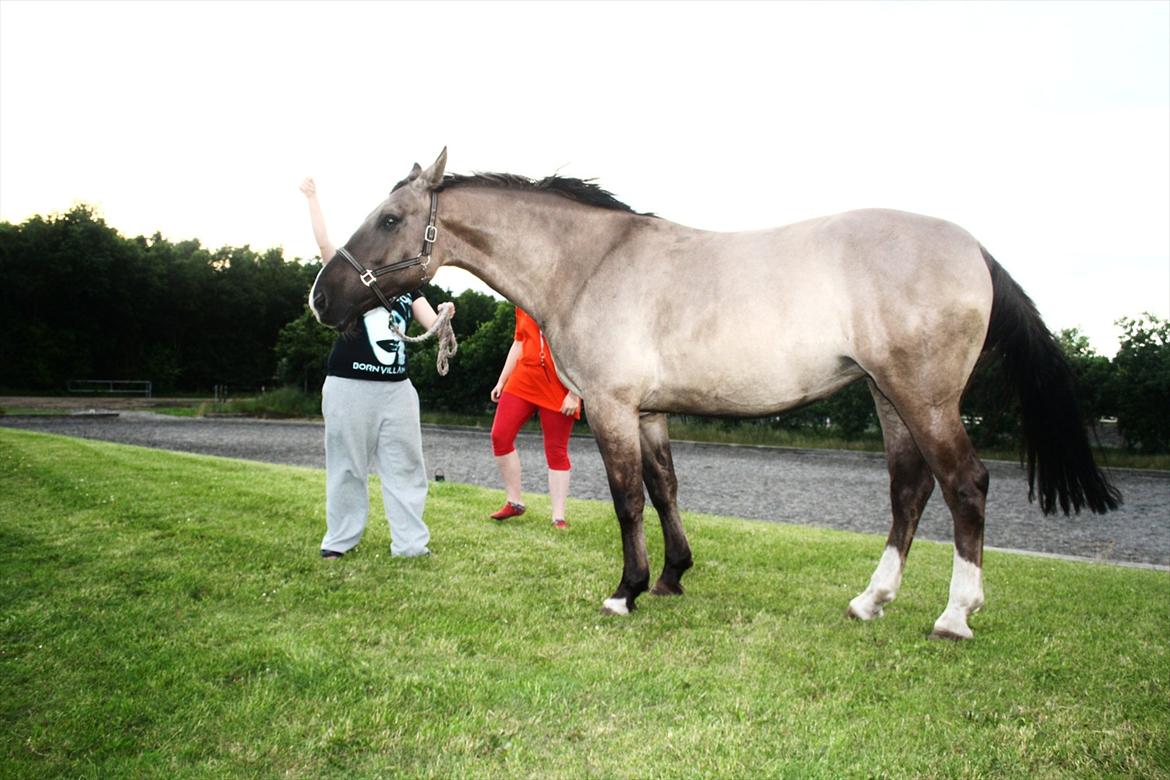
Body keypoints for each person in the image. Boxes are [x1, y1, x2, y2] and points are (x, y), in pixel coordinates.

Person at [300, 177, 453, 559]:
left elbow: (430, 324)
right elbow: (324, 246)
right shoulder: (354, 279)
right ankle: (339, 541)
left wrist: (445, 316)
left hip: (397, 389)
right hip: (348, 385)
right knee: (348, 467)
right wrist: (313, 198)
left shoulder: (409, 288)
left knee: (406, 468)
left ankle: (411, 545)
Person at [489, 306, 581, 529]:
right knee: (500, 435)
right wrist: (502, 381)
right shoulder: (522, 301)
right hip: (524, 378)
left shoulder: (568, 299)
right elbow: (519, 342)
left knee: (556, 450)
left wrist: (575, 392)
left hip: (559, 384)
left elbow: (582, 348)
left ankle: (558, 517)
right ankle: (514, 501)